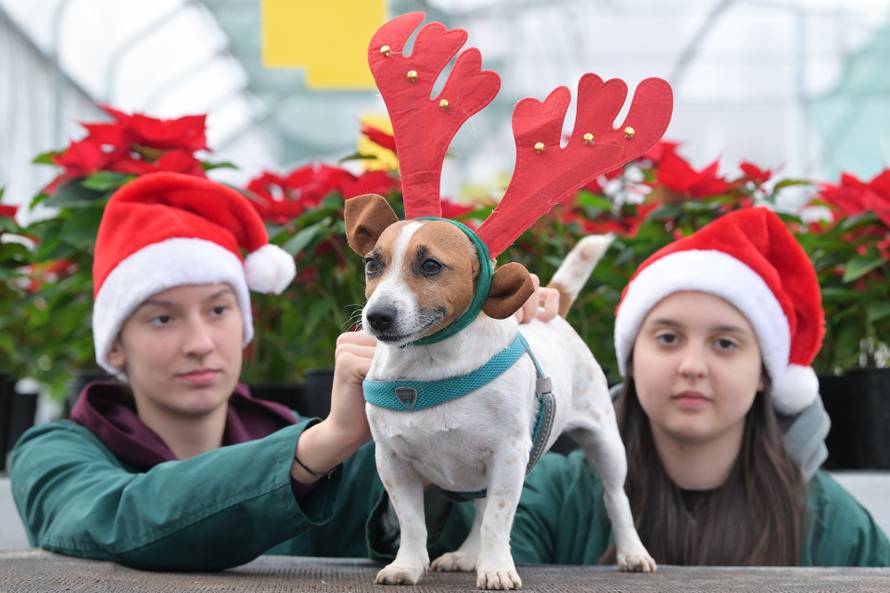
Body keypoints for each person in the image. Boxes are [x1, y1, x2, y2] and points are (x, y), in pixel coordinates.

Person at [11, 172, 563, 570]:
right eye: (161, 318)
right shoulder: (52, 453)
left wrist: (488, 359)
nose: (200, 342)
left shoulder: (315, 443)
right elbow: (118, 521)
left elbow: (473, 532)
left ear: (247, 325)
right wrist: (329, 440)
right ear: (113, 346)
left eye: (219, 310)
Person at [510, 207, 890, 567]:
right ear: (630, 360)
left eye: (725, 343)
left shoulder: (832, 525)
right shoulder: (553, 497)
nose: (692, 367)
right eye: (668, 338)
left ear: (763, 374)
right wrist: (488, 360)